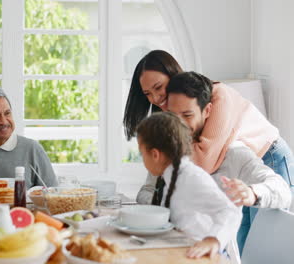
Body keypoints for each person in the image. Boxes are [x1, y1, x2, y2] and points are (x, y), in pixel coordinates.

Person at [137, 71, 291, 253]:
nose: (179, 125)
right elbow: (147, 191)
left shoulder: (233, 153)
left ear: (207, 111)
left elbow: (282, 190)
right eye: (172, 115)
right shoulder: (169, 152)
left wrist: (251, 192)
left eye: (187, 115)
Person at [123, 50, 294, 181]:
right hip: (241, 167)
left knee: (263, 229)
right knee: (242, 229)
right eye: (147, 93)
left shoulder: (219, 96)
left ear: (174, 75)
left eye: (159, 87)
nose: (155, 98)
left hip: (269, 158)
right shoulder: (173, 110)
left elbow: (202, 162)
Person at [137, 112, 241, 259]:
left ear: (155, 155)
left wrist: (212, 240)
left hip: (203, 258)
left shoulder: (191, 178)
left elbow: (230, 211)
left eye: (142, 153)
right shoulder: (170, 179)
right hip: (182, 253)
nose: (142, 159)